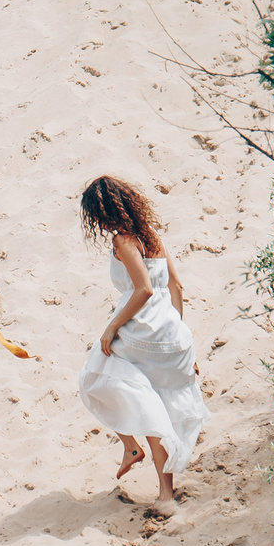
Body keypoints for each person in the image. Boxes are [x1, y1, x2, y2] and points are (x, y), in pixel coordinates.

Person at [76, 174, 209, 509]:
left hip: (142, 331)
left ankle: (131, 446)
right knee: (158, 405)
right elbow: (176, 288)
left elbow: (144, 289)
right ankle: (165, 494)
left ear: (99, 213)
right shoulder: (152, 236)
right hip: (171, 332)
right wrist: (180, 338)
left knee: (94, 374)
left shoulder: (123, 241)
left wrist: (111, 328)